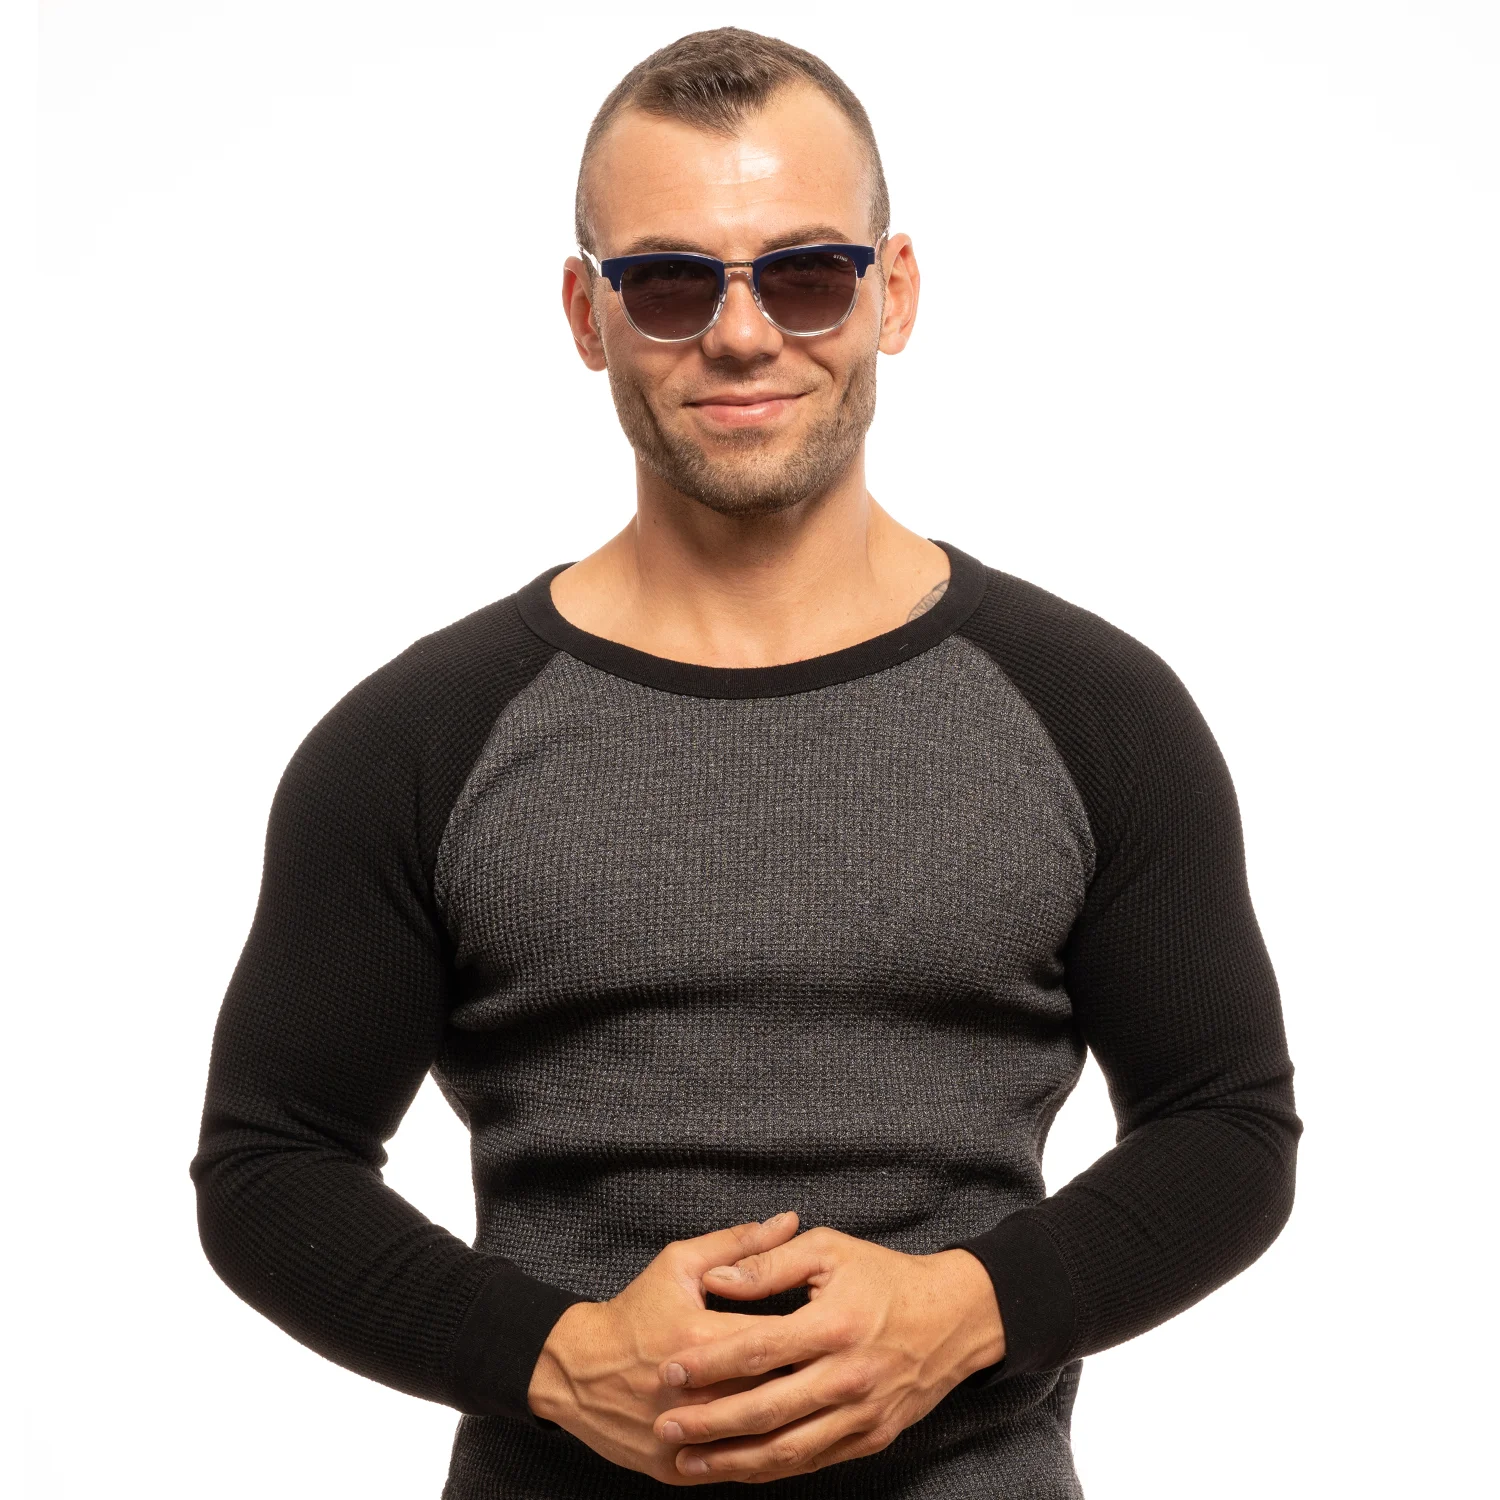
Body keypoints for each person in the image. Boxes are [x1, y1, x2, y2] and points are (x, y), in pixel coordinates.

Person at [191, 26, 1301, 1499]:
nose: (740, 335)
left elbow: (1228, 1126)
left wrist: (964, 1312)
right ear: (586, 315)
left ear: (893, 291)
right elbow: (271, 1163)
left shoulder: (1095, 711)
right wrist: (556, 1357)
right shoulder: (417, 743)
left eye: (805, 273)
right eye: (669, 282)